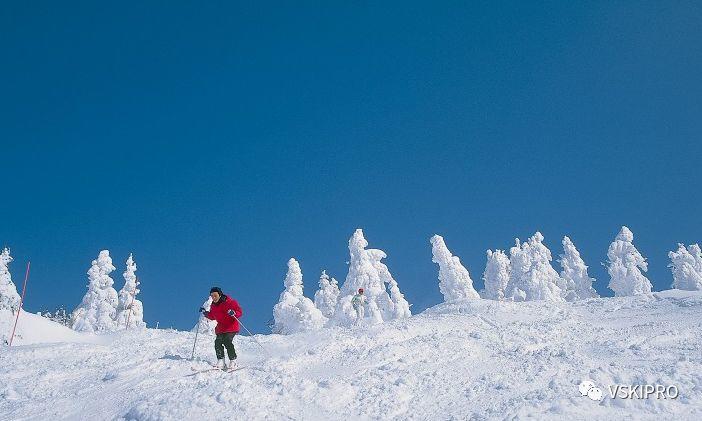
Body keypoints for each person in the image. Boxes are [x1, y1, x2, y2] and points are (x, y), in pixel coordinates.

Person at [199, 286, 243, 369]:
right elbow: (212, 316)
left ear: (220, 294)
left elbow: (239, 311)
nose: (213, 298)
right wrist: (205, 313)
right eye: (212, 296)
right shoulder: (213, 305)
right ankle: (221, 361)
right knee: (217, 342)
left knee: (227, 341)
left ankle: (233, 360)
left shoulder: (230, 302)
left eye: (215, 295)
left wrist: (234, 313)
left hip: (231, 326)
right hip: (221, 328)